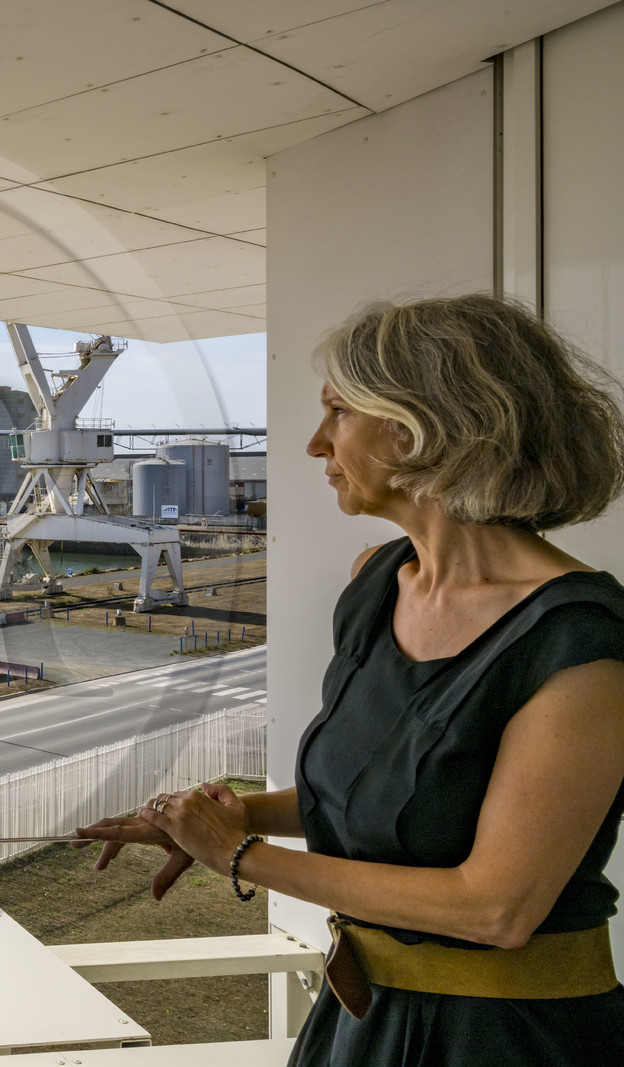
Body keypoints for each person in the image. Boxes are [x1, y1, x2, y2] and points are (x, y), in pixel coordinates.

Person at [74, 294, 624, 1065]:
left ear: (426, 423)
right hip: (361, 1020)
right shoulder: (377, 583)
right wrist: (203, 819)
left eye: (338, 412)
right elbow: (391, 794)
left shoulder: (580, 642)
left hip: (506, 1037)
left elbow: (496, 906)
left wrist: (236, 855)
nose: (313, 443)